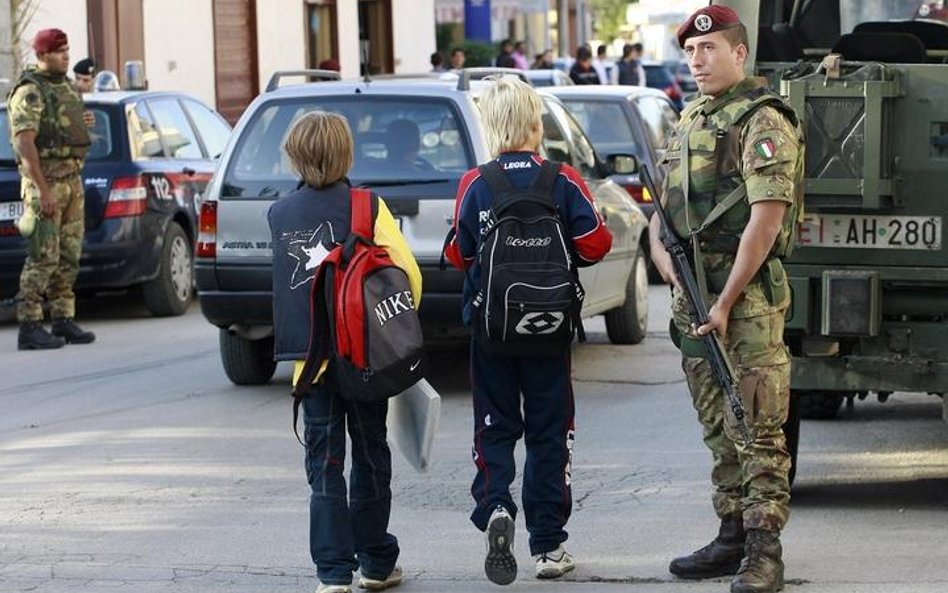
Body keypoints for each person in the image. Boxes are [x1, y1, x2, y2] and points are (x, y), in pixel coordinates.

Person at [649, 6, 804, 593]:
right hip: (694, 298)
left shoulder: (763, 121)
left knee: (757, 424)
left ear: (740, 53)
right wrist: (663, 259)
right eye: (691, 51)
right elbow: (660, 212)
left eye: (710, 49)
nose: (697, 60)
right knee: (717, 423)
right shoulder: (691, 118)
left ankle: (766, 552)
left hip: (745, 305)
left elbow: (765, 221)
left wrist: (725, 300)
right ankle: (731, 534)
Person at [444, 78, 612, 586]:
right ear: (535, 123)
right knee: (549, 433)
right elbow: (596, 244)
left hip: (492, 331)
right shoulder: (563, 179)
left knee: (494, 427)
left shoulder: (476, 182)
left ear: (490, 125)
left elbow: (459, 254)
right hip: (550, 329)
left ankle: (497, 505)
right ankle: (549, 546)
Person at [268, 111, 420, 593]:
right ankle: (376, 563)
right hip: (364, 356)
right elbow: (407, 276)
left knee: (325, 463)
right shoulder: (366, 208)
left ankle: (332, 573)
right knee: (371, 453)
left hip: (309, 361)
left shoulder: (280, 213)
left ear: (294, 155)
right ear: (346, 153)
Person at [8, 28, 95, 350]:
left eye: (67, 50)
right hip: (47, 183)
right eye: (59, 51)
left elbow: (66, 128)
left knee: (69, 255)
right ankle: (29, 324)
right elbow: (24, 143)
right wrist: (42, 190)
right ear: (42, 55)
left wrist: (81, 122)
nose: (66, 56)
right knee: (43, 256)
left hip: (72, 180)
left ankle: (63, 318)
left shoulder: (67, 88)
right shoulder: (30, 92)